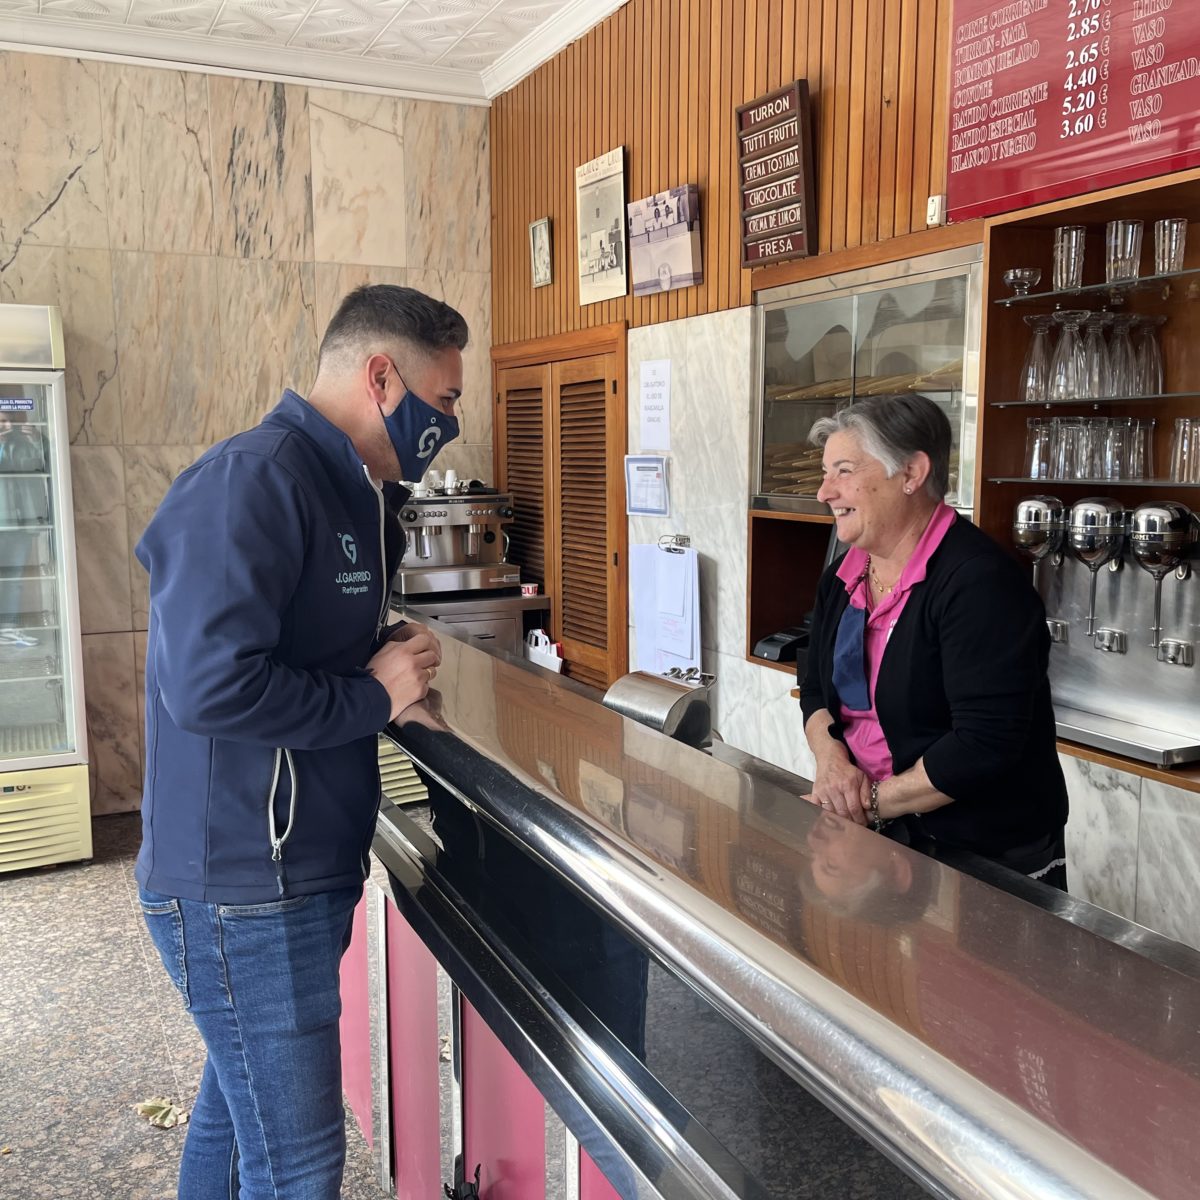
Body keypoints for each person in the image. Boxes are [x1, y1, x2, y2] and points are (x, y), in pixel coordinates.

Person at [134, 285, 468, 1199]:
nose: (451, 426)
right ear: (381, 377)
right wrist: (370, 696)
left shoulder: (355, 492)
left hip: (295, 873)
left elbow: (297, 640)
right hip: (244, 884)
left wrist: (382, 653)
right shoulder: (255, 479)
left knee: (238, 1130)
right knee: (300, 1166)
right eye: (444, 401)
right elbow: (207, 684)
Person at [800, 394, 1069, 889]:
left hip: (977, 846)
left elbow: (983, 743)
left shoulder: (978, 582)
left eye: (842, 471)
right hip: (880, 826)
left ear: (911, 473)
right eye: (825, 472)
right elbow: (814, 683)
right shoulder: (845, 572)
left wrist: (868, 803)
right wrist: (833, 764)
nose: (824, 492)